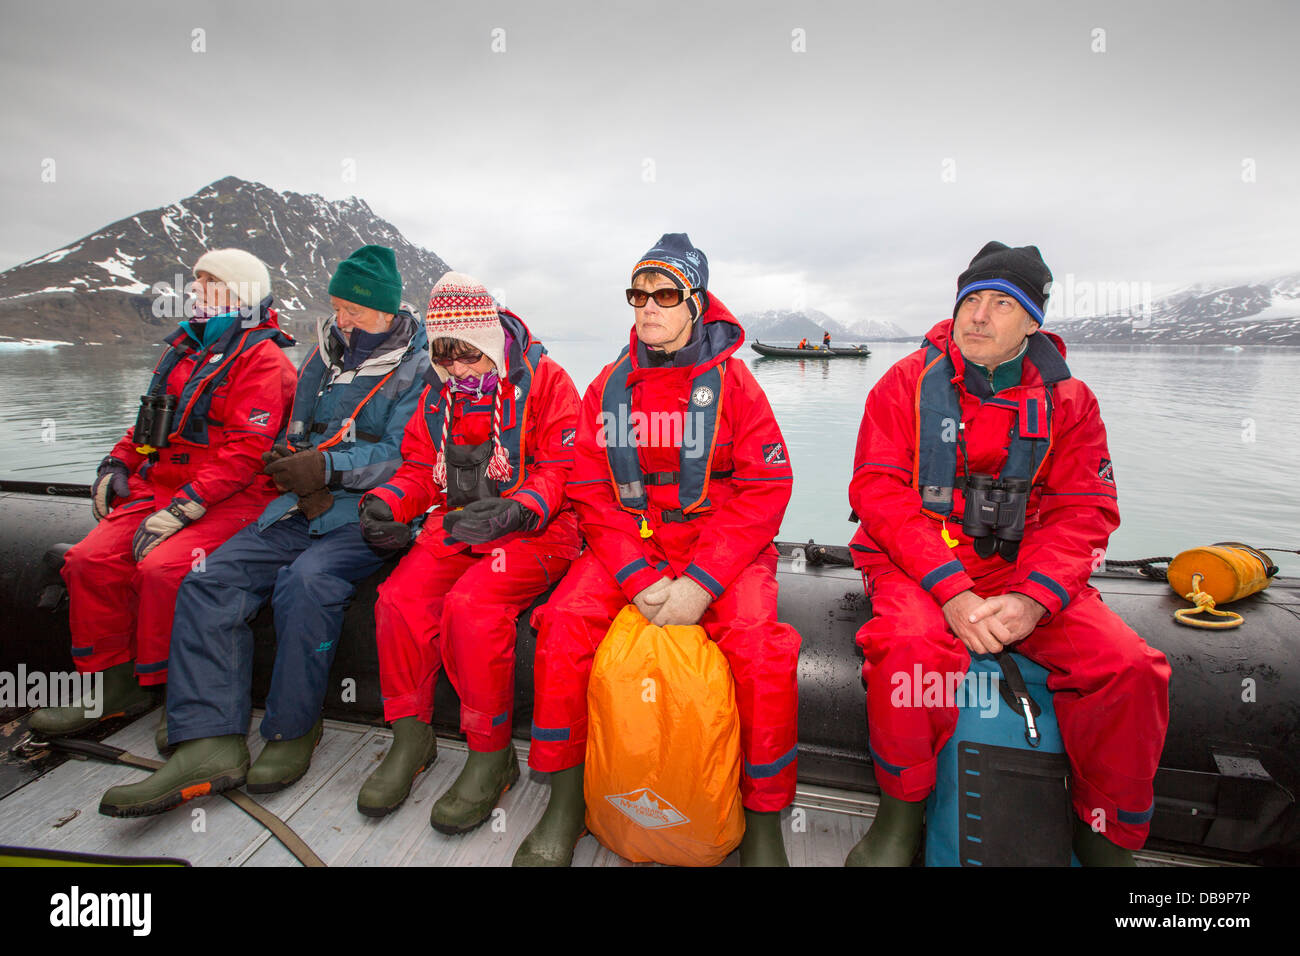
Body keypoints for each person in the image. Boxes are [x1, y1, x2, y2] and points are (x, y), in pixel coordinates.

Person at [843, 241, 1171, 866]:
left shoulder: (1070, 402)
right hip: (920, 563)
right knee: (908, 650)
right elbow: (878, 491)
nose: (979, 316)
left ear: (1033, 321)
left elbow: (1084, 510)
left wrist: (1033, 599)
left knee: (1129, 668)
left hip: (1024, 570)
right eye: (971, 300)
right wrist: (952, 589)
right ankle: (897, 823)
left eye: (1001, 303)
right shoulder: (905, 384)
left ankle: (1107, 842)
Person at [98, 245, 429, 816]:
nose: (340, 321)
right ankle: (208, 739)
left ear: (383, 309)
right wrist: (289, 456)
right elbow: (298, 429)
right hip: (298, 506)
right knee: (212, 578)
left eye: (351, 309)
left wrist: (328, 468)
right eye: (336, 307)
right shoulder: (322, 358)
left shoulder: (418, 370)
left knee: (307, 583)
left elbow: (408, 458)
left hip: (367, 515)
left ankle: (293, 729)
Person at [514, 234, 801, 867]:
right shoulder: (608, 387)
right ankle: (563, 803)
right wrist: (635, 574)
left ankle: (764, 825)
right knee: (562, 627)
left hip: (721, 544)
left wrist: (703, 580)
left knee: (760, 650)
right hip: (631, 541)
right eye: (638, 294)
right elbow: (590, 487)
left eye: (665, 294)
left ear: (695, 303)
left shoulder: (738, 387)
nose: (648, 307)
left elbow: (766, 487)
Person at [29, 249, 296, 749]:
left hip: (230, 497)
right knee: (89, 560)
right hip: (164, 484)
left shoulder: (265, 361)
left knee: (165, 570)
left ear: (240, 295)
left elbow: (246, 453)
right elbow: (149, 425)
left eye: (208, 283)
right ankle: (112, 683)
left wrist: (186, 507)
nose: (194, 291)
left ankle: (178, 693)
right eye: (196, 282)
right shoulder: (184, 351)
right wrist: (116, 463)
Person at [354, 272, 581, 829]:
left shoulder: (547, 381)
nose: (458, 369)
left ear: (490, 340)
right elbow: (418, 470)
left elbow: (563, 467)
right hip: (458, 527)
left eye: (468, 355)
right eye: (445, 357)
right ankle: (412, 737)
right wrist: (388, 503)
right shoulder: (438, 396)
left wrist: (519, 508)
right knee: (398, 600)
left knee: (472, 608)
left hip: (533, 531)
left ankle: (490, 753)